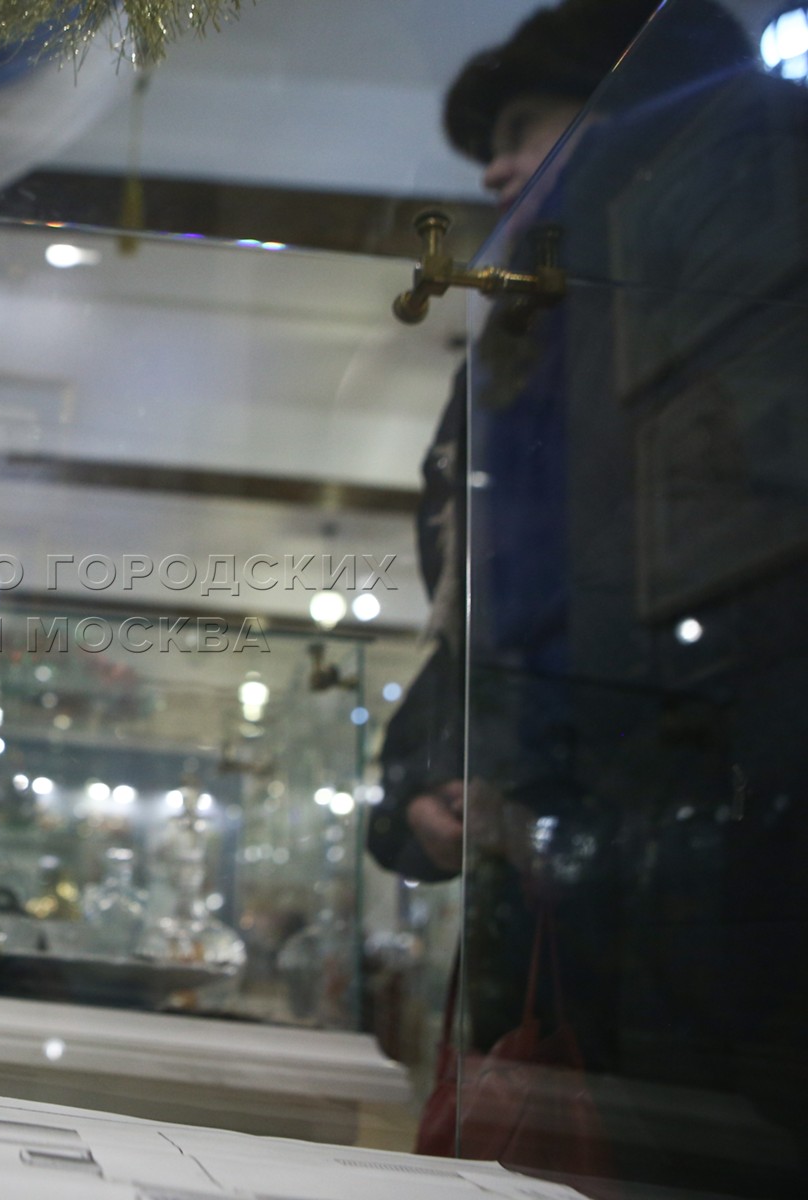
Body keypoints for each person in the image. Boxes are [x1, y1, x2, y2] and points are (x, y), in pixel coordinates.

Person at [370, 1, 808, 1193]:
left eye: (523, 126)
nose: (494, 168)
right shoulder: (525, 333)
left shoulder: (729, 243)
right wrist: (420, 794)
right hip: (583, 921)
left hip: (715, 897)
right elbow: (480, 627)